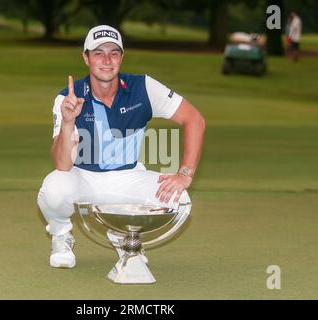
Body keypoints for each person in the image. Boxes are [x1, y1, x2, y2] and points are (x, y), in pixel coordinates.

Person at [37, 25, 206, 268]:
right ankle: (61, 234)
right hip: (82, 176)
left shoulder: (143, 87)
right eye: (98, 53)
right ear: (86, 57)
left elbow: (194, 119)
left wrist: (184, 174)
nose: (106, 60)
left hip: (129, 176)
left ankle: (124, 232)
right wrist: (67, 122)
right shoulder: (67, 98)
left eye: (113, 53)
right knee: (53, 189)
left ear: (121, 57)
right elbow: (63, 164)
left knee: (179, 201)